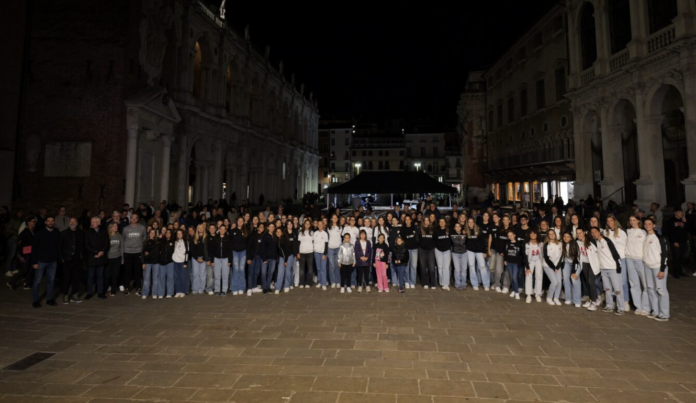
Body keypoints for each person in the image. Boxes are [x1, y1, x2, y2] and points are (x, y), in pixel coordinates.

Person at [643, 218, 669, 321]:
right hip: (647, 266)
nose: (647, 225)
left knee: (661, 290)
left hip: (657, 267)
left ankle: (664, 314)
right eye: (645, 224)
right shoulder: (646, 237)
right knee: (650, 289)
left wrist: (662, 269)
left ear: (654, 225)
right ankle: (655, 311)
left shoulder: (660, 238)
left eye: (649, 224)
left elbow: (664, 254)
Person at [31, 216, 61, 307]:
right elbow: (34, 248)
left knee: (51, 280)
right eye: (48, 221)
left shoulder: (57, 232)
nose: (50, 222)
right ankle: (35, 300)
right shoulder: (39, 233)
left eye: (52, 221)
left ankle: (49, 298)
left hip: (53, 261)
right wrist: (34, 262)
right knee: (37, 281)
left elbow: (58, 246)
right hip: (41, 261)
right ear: (45, 222)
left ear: (54, 222)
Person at [604, 214, 629, 311]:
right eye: (608, 221)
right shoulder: (606, 232)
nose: (610, 223)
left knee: (623, 281)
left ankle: (625, 301)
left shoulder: (622, 232)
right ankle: (614, 301)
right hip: (610, 260)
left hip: (621, 259)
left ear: (615, 221)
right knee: (612, 282)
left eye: (611, 220)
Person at [626, 215, 649, 316]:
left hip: (640, 259)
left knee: (645, 283)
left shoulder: (643, 232)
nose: (632, 222)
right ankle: (638, 306)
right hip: (629, 259)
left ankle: (646, 307)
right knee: (634, 283)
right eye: (630, 220)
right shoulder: (628, 232)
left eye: (634, 220)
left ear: (638, 221)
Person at [59, 217, 85, 304]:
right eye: (70, 221)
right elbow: (59, 247)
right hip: (67, 259)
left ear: (77, 223)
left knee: (76, 278)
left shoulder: (81, 233)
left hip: (78, 259)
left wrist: (82, 257)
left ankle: (74, 295)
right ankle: (65, 295)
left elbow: (83, 246)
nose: (72, 223)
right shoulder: (64, 233)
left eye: (74, 221)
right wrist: (62, 258)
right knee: (66, 278)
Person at [122, 214, 146, 296]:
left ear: (138, 219)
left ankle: (138, 288)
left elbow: (144, 239)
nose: (134, 219)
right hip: (127, 252)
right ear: (130, 219)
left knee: (138, 271)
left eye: (136, 218)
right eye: (132, 218)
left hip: (138, 252)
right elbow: (123, 240)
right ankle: (127, 288)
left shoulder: (142, 228)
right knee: (127, 271)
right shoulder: (125, 229)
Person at [577, 228, 600, 311]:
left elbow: (599, 252)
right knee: (588, 282)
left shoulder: (591, 242)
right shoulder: (578, 243)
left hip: (593, 264)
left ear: (584, 232)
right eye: (577, 233)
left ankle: (594, 302)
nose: (579, 235)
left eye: (580, 233)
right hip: (585, 264)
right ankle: (590, 299)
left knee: (591, 282)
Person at [663, 208, 688, 279]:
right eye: (679, 212)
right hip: (676, 242)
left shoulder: (683, 220)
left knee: (682, 257)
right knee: (676, 257)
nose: (681, 213)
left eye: (682, 212)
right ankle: (675, 272)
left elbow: (688, 230)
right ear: (675, 213)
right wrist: (674, 241)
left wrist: (686, 222)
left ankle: (680, 271)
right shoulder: (671, 221)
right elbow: (669, 232)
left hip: (683, 242)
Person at [466, 217, 489, 291]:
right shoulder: (466, 231)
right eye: (469, 222)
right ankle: (475, 284)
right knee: (471, 266)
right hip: (470, 251)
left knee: (482, 267)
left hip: (479, 251)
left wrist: (484, 252)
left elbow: (483, 242)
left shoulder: (479, 230)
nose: (470, 223)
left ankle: (486, 284)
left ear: (474, 222)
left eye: (472, 222)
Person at [542, 230, 563, 306]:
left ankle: (556, 297)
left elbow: (561, 256)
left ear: (555, 234)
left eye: (553, 233)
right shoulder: (546, 245)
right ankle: (549, 298)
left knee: (559, 282)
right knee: (554, 282)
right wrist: (553, 267)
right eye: (550, 234)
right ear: (548, 235)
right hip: (548, 266)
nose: (552, 235)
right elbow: (546, 258)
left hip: (557, 266)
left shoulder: (560, 244)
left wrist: (557, 267)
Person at [561, 232, 581, 307]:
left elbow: (577, 260)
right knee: (565, 280)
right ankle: (568, 298)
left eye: (568, 237)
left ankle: (577, 300)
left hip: (576, 263)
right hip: (567, 263)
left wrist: (575, 272)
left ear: (571, 238)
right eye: (564, 236)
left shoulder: (575, 245)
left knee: (574, 280)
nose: (566, 238)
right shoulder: (562, 244)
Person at [523, 229, 543, 303]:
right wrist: (527, 267)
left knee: (539, 276)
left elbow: (542, 254)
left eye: (534, 234)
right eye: (531, 234)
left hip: (538, 260)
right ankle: (528, 294)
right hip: (529, 261)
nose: (533, 235)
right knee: (528, 276)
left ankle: (538, 294)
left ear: (537, 235)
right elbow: (525, 256)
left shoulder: (540, 243)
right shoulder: (527, 244)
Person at [503, 229, 523, 300]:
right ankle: (514, 290)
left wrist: (520, 262)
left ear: (514, 235)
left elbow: (521, 254)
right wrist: (505, 260)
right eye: (509, 236)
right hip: (509, 262)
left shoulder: (519, 243)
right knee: (512, 277)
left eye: (511, 235)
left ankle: (517, 292)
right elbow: (505, 252)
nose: (510, 237)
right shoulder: (507, 243)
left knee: (515, 277)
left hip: (516, 263)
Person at [142, 229, 161, 299]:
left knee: (155, 278)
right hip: (147, 262)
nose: (152, 234)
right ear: (149, 233)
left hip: (156, 262)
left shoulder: (158, 242)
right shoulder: (145, 242)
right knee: (146, 278)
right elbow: (143, 253)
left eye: (154, 233)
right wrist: (143, 262)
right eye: (151, 232)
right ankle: (145, 293)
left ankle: (154, 293)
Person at [434, 218, 452, 291]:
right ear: (439, 223)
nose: (441, 223)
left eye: (443, 221)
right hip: (438, 250)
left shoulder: (448, 230)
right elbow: (434, 240)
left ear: (445, 223)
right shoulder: (436, 231)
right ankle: (441, 282)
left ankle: (446, 283)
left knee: (446, 267)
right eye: (440, 221)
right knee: (440, 267)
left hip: (447, 250)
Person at [401, 216, 419, 289]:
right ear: (405, 221)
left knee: (413, 266)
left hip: (414, 249)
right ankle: (407, 281)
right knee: (406, 266)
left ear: (411, 220)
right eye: (406, 220)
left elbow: (418, 238)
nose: (407, 221)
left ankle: (412, 282)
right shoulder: (402, 229)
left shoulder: (415, 228)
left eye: (409, 219)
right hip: (406, 250)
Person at [296, 221, 314, 289]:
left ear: (310, 225)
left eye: (308, 223)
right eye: (306, 223)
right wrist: (298, 252)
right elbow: (298, 242)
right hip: (302, 252)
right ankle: (301, 282)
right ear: (304, 224)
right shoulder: (300, 232)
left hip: (310, 252)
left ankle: (308, 283)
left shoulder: (312, 232)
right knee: (302, 269)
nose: (307, 225)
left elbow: (313, 241)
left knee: (310, 269)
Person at [172, 229, 189, 298]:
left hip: (182, 262)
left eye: (180, 233)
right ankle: (178, 291)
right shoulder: (175, 242)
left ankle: (183, 291)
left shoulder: (185, 242)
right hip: (175, 261)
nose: (179, 235)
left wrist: (185, 262)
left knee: (183, 277)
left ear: (183, 234)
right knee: (176, 277)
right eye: (178, 233)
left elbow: (187, 253)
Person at [450, 222, 467, 291]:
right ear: (454, 228)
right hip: (455, 253)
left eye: (459, 226)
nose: (457, 228)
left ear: (461, 227)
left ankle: (463, 283)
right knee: (457, 270)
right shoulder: (451, 235)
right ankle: (457, 284)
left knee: (463, 270)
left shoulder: (465, 234)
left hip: (464, 253)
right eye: (456, 226)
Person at [159, 229, 175, 298]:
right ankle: (161, 293)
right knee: (161, 278)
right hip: (162, 262)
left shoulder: (173, 242)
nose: (168, 234)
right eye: (166, 233)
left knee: (170, 278)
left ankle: (169, 293)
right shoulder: (161, 241)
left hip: (170, 262)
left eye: (169, 233)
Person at [327, 215, 342, 289]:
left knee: (337, 265)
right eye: (333, 218)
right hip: (330, 248)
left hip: (338, 248)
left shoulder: (340, 227)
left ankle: (338, 281)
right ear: (331, 219)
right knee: (331, 266)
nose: (335, 219)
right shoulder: (328, 228)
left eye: (336, 218)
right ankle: (333, 281)